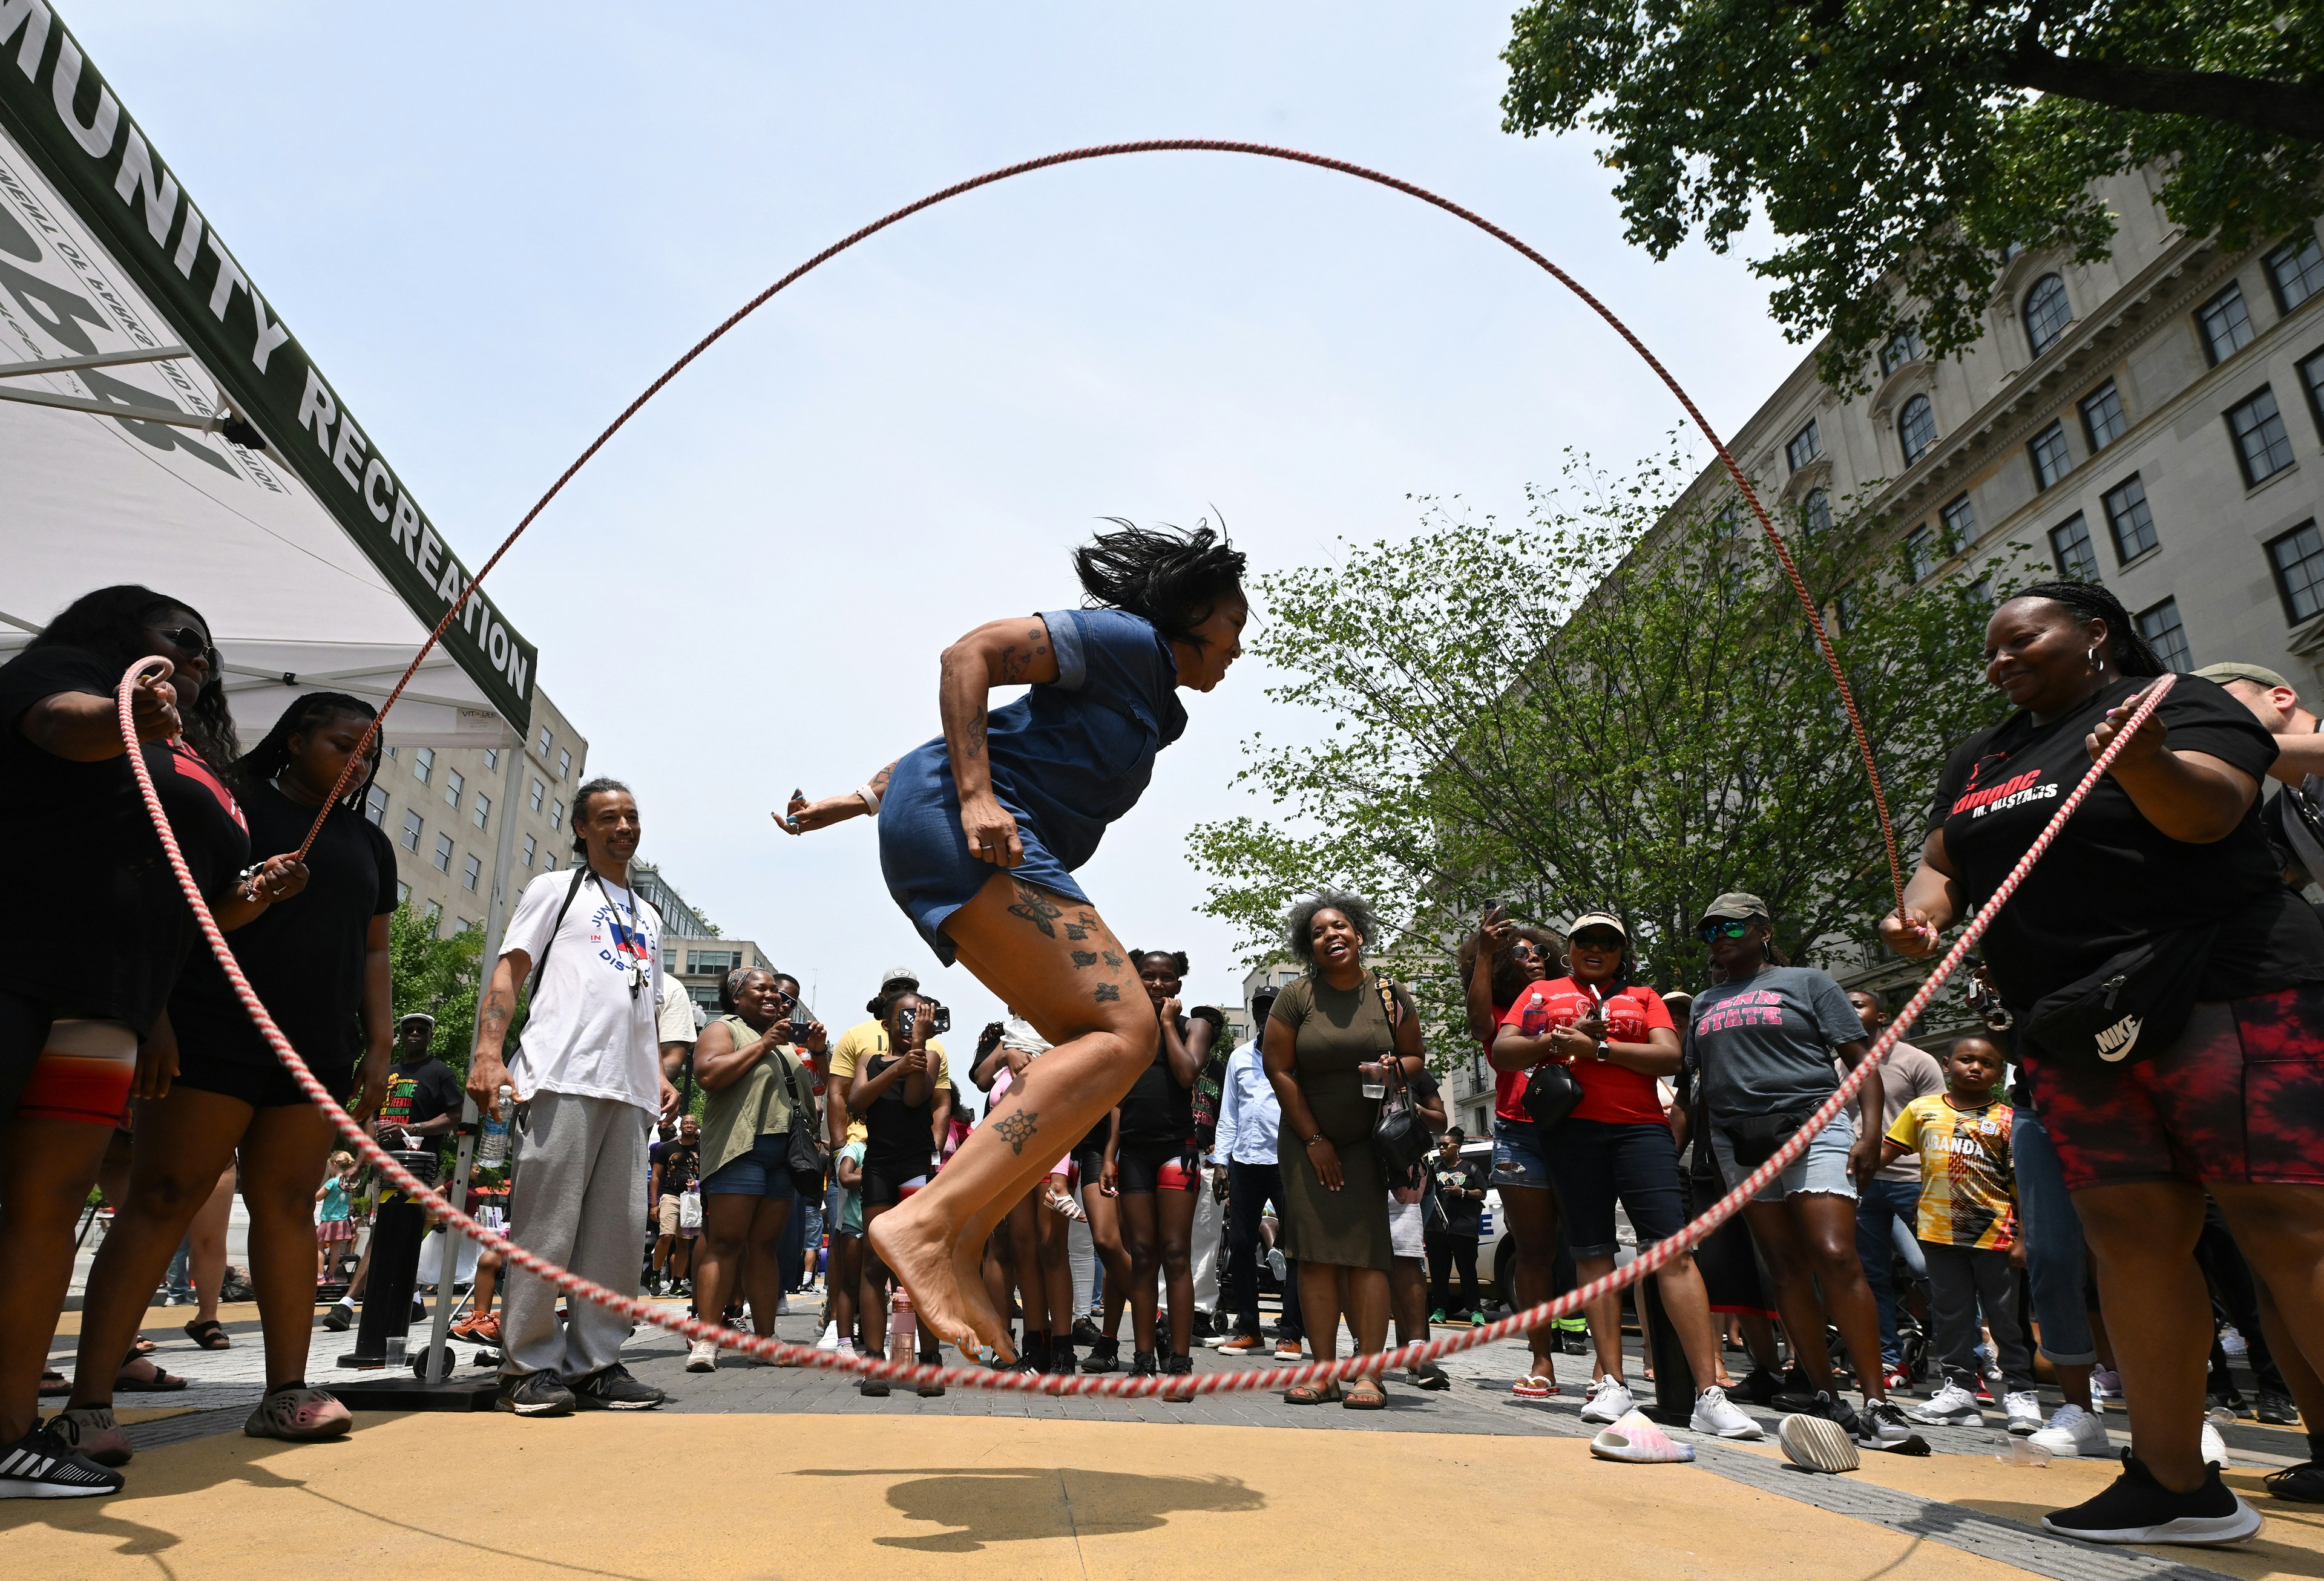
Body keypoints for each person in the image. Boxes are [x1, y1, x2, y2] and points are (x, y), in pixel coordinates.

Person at [1884, 582, 2324, 1543]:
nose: (2000, 661)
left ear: (2096, 632)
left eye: (2021, 639)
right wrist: (1920, 915)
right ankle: (2176, 1485)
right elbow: (1943, 862)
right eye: (1990, 651)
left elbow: (2210, 815)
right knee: (2131, 1237)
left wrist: (2150, 761)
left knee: (2288, 1220)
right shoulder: (1983, 756)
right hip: (2074, 1021)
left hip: (2222, 983)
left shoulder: (2173, 700)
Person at [782, 522, 1247, 1360]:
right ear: (1189, 616)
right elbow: (968, 656)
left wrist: (853, 801)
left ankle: (958, 1234)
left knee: (1090, 1060)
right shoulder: (1124, 639)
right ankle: (928, 1220)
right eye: (1233, 627)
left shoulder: (1156, 706)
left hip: (945, 830)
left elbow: (1011, 733)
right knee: (1129, 1029)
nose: (1240, 648)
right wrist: (974, 799)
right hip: (973, 831)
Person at [0, 586, 284, 1499]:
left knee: (45, 1212)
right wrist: (128, 708)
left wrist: (251, 901)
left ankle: (10, 1433)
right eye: (181, 638)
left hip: (111, 1003)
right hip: (16, 964)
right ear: (121, 634)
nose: (198, 659)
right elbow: (60, 728)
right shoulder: (72, 678)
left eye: (210, 652)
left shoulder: (204, 760)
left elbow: (191, 906)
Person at [1494, 911, 1762, 1439]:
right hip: (1571, 1134)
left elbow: (1669, 1055)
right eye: (1585, 940)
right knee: (1592, 1253)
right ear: (1568, 948)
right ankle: (1612, 1381)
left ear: (1621, 952)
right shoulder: (1542, 994)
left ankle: (1710, 1392)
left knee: (1672, 1252)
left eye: (1608, 942)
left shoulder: (1643, 996)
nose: (1596, 948)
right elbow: (1503, 1051)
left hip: (1641, 1133)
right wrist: (1555, 1042)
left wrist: (1596, 1048)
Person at [469, 778, 678, 1417]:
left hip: (632, 1090)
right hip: (561, 1076)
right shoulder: (555, 890)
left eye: (632, 816)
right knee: (547, 1231)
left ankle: (597, 1363)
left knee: (615, 1238)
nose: (623, 827)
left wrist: (660, 1073)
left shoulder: (648, 916)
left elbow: (645, 1000)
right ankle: (525, 1366)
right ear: (583, 829)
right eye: (608, 818)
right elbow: (510, 969)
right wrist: (487, 1052)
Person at [1688, 891, 1910, 1447]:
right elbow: (1701, 1090)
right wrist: (1708, 1162)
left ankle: (1878, 1402)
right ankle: (1824, 1396)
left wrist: (1869, 1133)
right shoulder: (1702, 1002)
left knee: (1835, 1253)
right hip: (1738, 1141)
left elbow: (1865, 1065)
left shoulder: (1809, 983)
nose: (1718, 937)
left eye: (1729, 927)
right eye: (1709, 930)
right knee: (1784, 1268)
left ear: (1763, 929)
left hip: (1815, 1126)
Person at [1263, 892, 1421, 1409]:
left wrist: (1393, 1069)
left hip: (1367, 1144)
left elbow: (1416, 1056)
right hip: (1309, 1145)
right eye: (1317, 932)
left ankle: (1369, 1375)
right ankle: (1324, 1371)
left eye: (1340, 926)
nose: (1331, 935)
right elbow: (1278, 1069)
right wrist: (1314, 1140)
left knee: (1369, 1258)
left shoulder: (1390, 992)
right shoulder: (1296, 996)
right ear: (1308, 946)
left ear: (1358, 933)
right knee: (1315, 1258)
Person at [1878, 1036, 2040, 1433]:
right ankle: (1960, 1391)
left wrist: (2023, 1237)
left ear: (1999, 1073)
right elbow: (1885, 1151)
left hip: (1995, 1235)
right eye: (1966, 1059)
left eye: (1986, 1063)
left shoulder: (2007, 1118)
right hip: (1937, 1233)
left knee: (2006, 1318)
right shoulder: (1922, 1109)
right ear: (1946, 1063)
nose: (1975, 1068)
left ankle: (2021, 1391)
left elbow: (2022, 1183)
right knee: (1951, 1315)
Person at [1460, 908, 1577, 1396]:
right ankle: (1541, 1358)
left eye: (1540, 951)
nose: (1533, 958)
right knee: (1533, 1252)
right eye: (1521, 953)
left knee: (1593, 1247)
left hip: (1580, 1131)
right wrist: (1486, 953)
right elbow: (1475, 1022)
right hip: (1519, 1134)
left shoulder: (1576, 999)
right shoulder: (1502, 1013)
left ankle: (1606, 1369)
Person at [684, 968, 819, 1372]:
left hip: (784, 1155)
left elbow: (814, 1095)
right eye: (759, 988)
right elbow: (708, 1074)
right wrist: (763, 1043)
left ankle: (765, 1339)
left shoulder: (784, 1043)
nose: (771, 994)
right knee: (725, 1242)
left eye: (774, 990)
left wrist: (819, 1052)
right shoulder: (723, 1028)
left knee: (764, 1248)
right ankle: (707, 1339)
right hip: (739, 1148)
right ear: (736, 996)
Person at [1108, 951, 1210, 1380]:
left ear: (1178, 986)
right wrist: (1110, 1154)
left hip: (1177, 1149)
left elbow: (1187, 1073)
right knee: (1143, 1255)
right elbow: (1114, 1094)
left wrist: (1168, 1024)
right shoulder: (1124, 1027)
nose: (1156, 984)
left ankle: (1181, 1359)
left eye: (1166, 978)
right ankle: (1144, 1358)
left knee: (1175, 1253)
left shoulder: (1196, 1025)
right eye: (1147, 976)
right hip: (1133, 1153)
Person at [850, 987, 953, 1397]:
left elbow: (916, 1097)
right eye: (906, 1017)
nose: (912, 1022)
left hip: (914, 1169)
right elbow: (857, 1100)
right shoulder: (869, 1060)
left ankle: (929, 1358)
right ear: (887, 1023)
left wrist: (921, 1046)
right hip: (878, 1167)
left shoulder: (929, 1057)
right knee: (874, 1264)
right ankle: (875, 1359)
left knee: (919, 1264)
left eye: (920, 1016)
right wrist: (892, 1069)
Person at [1846, 987, 1946, 1388]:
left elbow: (1938, 1121)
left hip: (1913, 1181)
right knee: (1871, 1276)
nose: (1849, 1012)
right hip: (1860, 1186)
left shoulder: (1916, 1061)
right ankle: (1889, 1361)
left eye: (1858, 1004)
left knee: (1933, 1268)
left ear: (1882, 1016)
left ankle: (1969, 1365)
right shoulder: (1838, 1065)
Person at [1212, 985, 1306, 1358]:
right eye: (1261, 1009)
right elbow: (1229, 1113)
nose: (1267, 1016)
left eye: (1274, 1008)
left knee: (1295, 1249)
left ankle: (1291, 1333)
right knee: (1239, 1246)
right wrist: (1222, 1161)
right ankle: (1249, 1329)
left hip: (1288, 1165)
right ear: (1254, 1015)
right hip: (1245, 1163)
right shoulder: (1239, 1057)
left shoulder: (1300, 1056)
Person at [1422, 1128, 1485, 1325]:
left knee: (1468, 1271)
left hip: (1463, 1228)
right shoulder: (1434, 1169)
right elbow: (1425, 1193)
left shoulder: (1471, 1168)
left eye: (1445, 1145)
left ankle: (1476, 1311)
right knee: (1440, 1273)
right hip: (1436, 1229)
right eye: (1439, 1145)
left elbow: (1482, 1193)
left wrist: (1463, 1192)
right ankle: (1439, 1310)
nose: (1440, 1148)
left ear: (1456, 1147)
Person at [649, 1115, 702, 1296]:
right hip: (670, 1195)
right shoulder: (668, 1148)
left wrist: (698, 1184)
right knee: (667, 1235)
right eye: (686, 1123)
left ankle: (677, 1284)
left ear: (696, 1128)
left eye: (692, 1123)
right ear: (681, 1127)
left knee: (684, 1243)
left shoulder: (703, 1148)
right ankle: (655, 1275)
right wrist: (654, 1204)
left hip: (693, 1199)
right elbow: (656, 1176)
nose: (689, 1125)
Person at [316, 1151, 358, 1280]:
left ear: (335, 1164)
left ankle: (320, 1276)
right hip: (342, 1221)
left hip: (328, 1220)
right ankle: (331, 1276)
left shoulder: (332, 1182)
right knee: (335, 1249)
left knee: (319, 1247)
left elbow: (318, 1197)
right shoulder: (349, 1184)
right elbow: (350, 1204)